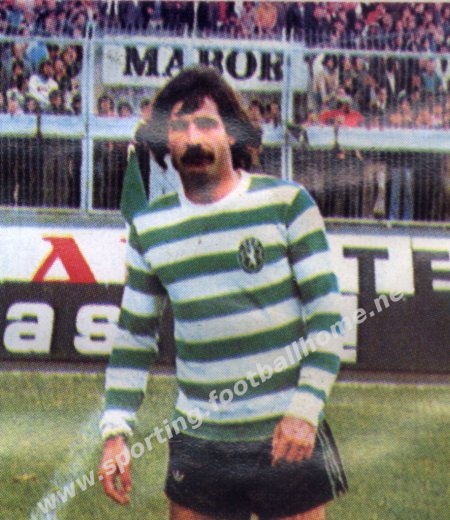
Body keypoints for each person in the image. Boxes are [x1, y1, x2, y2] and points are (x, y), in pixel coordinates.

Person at [98, 66, 347, 520]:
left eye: (206, 124)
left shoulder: (287, 203)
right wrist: (115, 432)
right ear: (165, 140)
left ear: (232, 133)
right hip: (199, 441)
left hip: (285, 431)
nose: (193, 138)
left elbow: (328, 315)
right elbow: (134, 339)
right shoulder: (149, 227)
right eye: (179, 127)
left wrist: (305, 409)